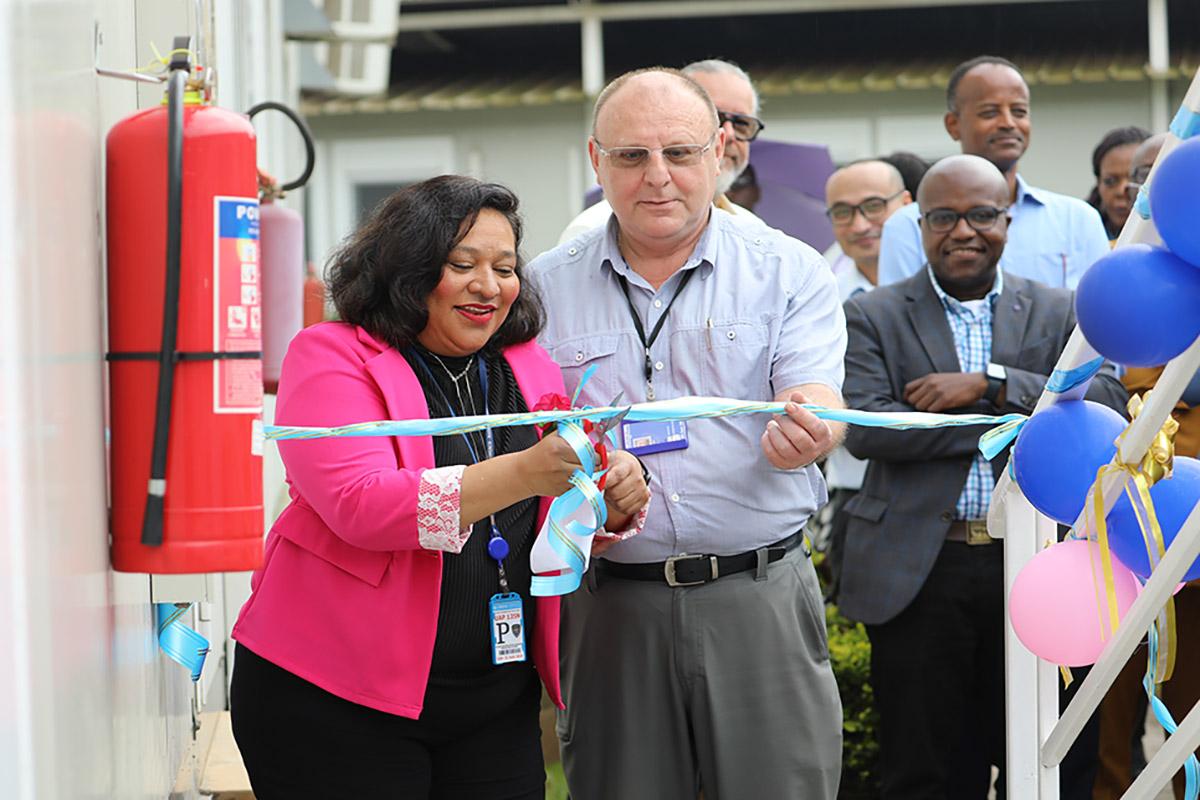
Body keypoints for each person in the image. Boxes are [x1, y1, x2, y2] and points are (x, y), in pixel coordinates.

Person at [228, 175, 650, 798]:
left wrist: (608, 499)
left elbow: (549, 507)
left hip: (494, 697)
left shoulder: (527, 363)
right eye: (463, 264)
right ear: (408, 269)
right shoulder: (330, 356)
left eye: (504, 268)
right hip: (336, 694)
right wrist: (524, 471)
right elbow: (362, 506)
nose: (489, 286)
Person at [531, 67, 846, 800]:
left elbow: (818, 392)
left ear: (718, 151)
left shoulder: (788, 270)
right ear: (596, 160)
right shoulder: (543, 287)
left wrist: (812, 423)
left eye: (679, 152)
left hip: (758, 592)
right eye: (631, 155)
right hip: (610, 605)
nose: (657, 176)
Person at [840, 154, 1128, 799]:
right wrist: (1025, 420)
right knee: (926, 773)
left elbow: (1107, 401)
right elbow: (868, 429)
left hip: (1038, 562)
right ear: (919, 224)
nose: (963, 231)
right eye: (943, 217)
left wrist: (991, 386)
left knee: (1053, 764)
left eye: (980, 215)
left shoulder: (1059, 310)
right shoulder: (872, 314)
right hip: (921, 572)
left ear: (1006, 222)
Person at [1094, 130, 1200, 800]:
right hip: (1133, 510)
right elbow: (1132, 384)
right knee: (1108, 701)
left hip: (1193, 523)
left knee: (1192, 703)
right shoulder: (1117, 273)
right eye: (1141, 176)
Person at [877, 55, 1110, 289]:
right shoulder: (909, 226)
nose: (1008, 123)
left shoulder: (1078, 221)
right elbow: (903, 309)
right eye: (989, 113)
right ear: (953, 125)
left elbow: (1098, 306)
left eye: (1019, 111)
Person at [820, 159, 912, 596]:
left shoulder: (947, 279)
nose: (859, 225)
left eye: (874, 206)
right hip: (856, 490)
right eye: (842, 212)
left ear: (906, 204)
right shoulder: (819, 289)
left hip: (941, 492)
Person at [557, 58, 766, 244]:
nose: (729, 134)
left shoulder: (756, 234)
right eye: (716, 117)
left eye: (742, 123)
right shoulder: (591, 234)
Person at [1086, 126, 1150, 241]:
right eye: (1110, 181)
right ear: (1098, 182)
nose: (1121, 190)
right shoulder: (1079, 234)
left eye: (1135, 179)